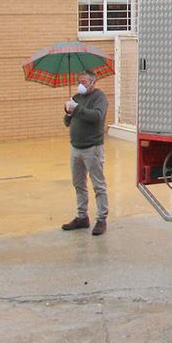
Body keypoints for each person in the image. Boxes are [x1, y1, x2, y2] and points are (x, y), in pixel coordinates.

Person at [60, 71, 110, 236]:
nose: (80, 84)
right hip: (76, 147)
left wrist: (78, 109)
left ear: (93, 82)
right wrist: (68, 112)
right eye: (79, 81)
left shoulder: (99, 98)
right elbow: (68, 122)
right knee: (78, 184)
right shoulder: (76, 97)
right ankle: (82, 217)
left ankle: (101, 219)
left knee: (98, 185)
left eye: (84, 81)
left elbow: (97, 116)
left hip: (92, 148)